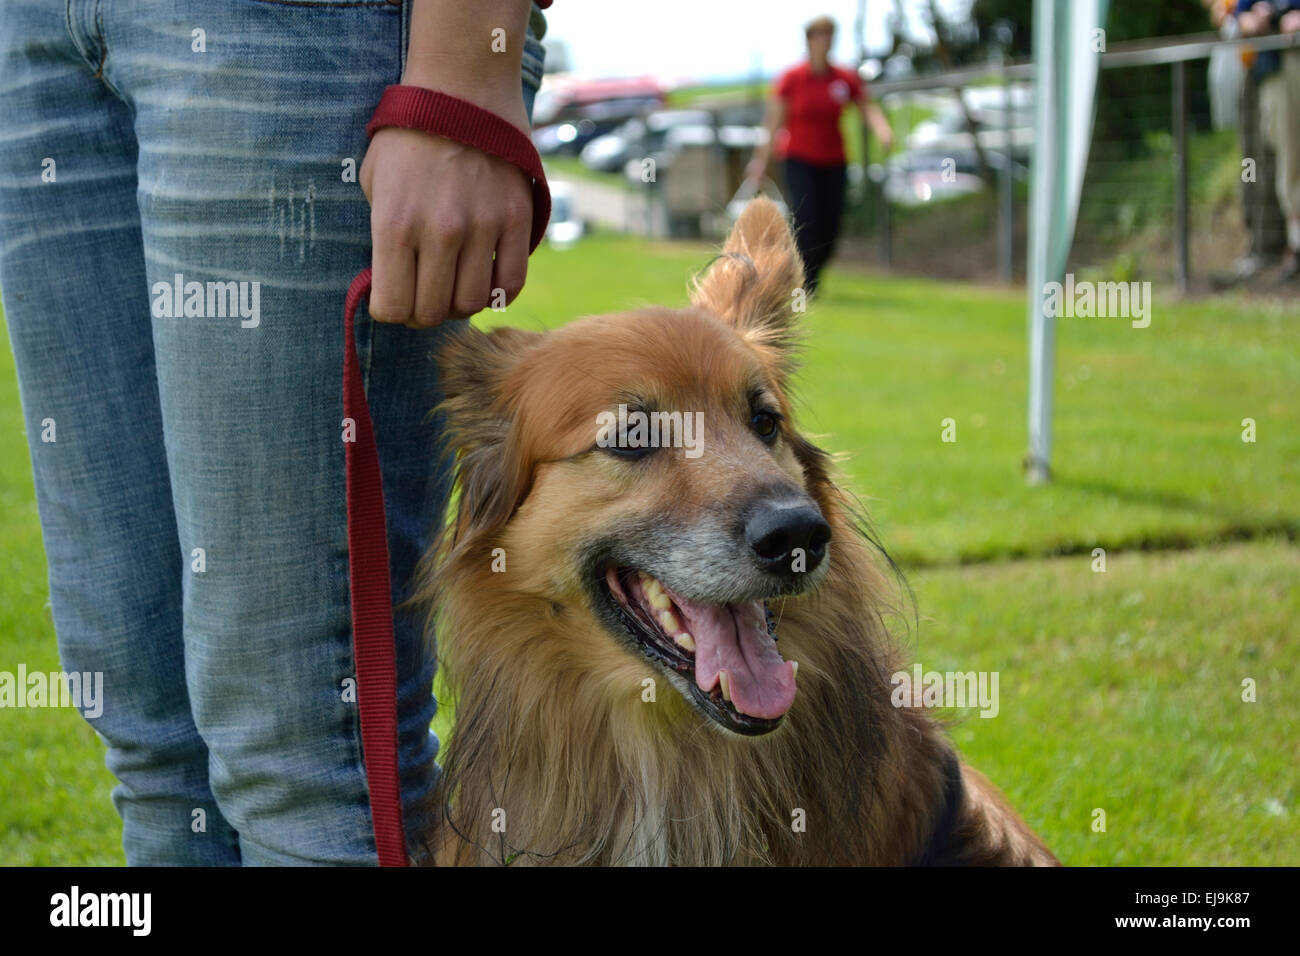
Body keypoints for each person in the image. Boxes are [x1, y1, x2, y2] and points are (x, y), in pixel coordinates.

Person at [0, 0, 550, 865]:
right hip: (33, 41)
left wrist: (465, 67)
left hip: (304, 31)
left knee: (309, 756)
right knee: (154, 745)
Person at [746, 15, 893, 296]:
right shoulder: (793, 79)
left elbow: (867, 107)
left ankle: (811, 274)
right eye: (819, 36)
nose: (825, 42)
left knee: (831, 222)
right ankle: (804, 285)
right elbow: (773, 122)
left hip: (834, 160)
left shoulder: (843, 78)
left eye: (829, 36)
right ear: (810, 41)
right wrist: (760, 160)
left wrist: (882, 130)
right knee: (808, 219)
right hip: (799, 158)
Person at [1237, 0, 1300, 281]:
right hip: (1274, 66)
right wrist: (1254, 18)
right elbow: (1240, 16)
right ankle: (1295, 247)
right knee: (1287, 162)